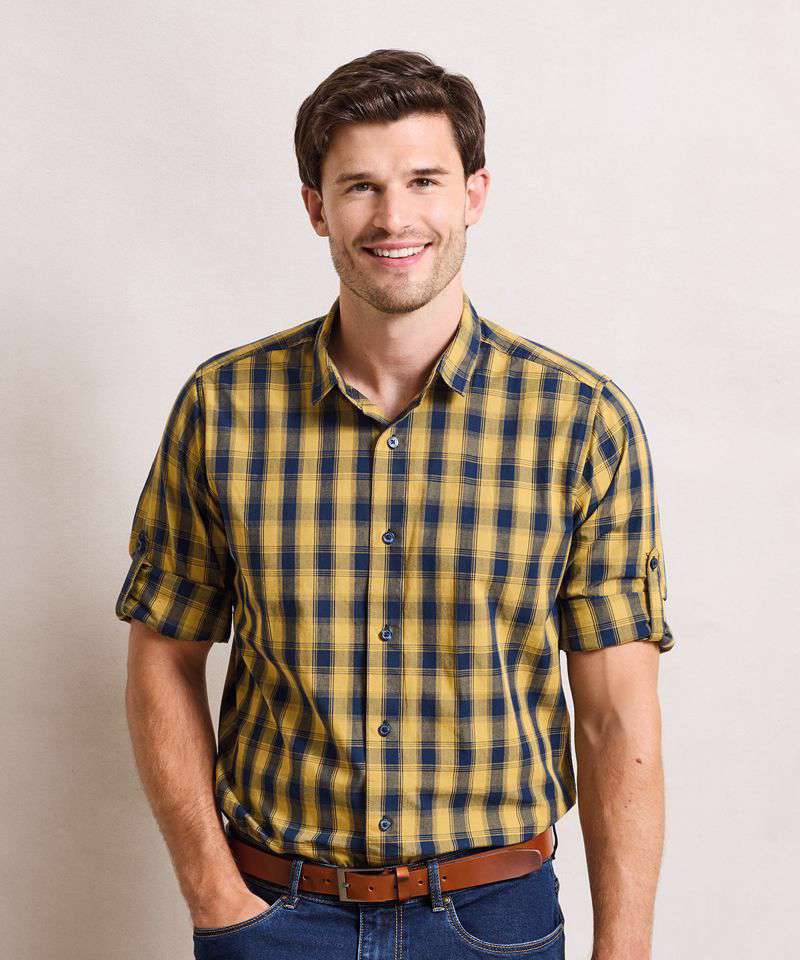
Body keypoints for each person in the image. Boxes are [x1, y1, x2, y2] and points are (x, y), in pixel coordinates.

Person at [116, 48, 675, 960]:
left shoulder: (581, 422)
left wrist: (625, 952)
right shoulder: (224, 408)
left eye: (423, 180)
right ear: (316, 207)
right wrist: (214, 895)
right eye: (360, 187)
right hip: (273, 914)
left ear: (474, 194)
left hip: (494, 921)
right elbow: (163, 659)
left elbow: (617, 718)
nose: (394, 217)